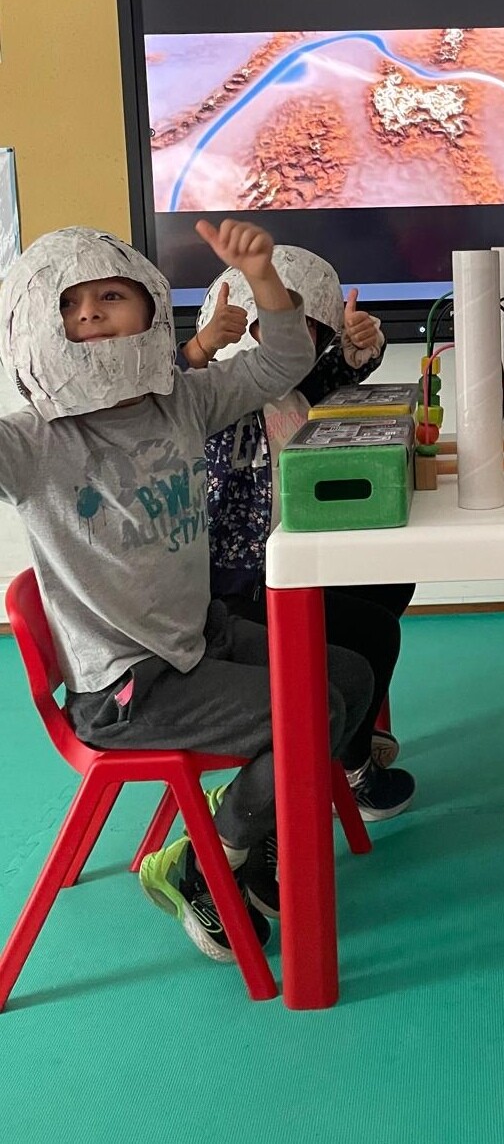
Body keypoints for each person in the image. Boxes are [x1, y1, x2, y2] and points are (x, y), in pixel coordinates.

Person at [0, 219, 375, 961]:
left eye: (111, 296)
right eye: (69, 304)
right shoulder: (36, 440)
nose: (90, 314)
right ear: (40, 325)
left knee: (352, 678)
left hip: (199, 637)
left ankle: (245, 833)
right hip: (126, 687)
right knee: (311, 713)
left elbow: (283, 362)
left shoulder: (181, 400)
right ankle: (208, 860)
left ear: (150, 307)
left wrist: (262, 278)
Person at [185, 248, 416, 821]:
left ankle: (349, 724)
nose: (292, 339)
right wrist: (201, 349)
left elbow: (332, 372)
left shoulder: (291, 389)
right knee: (375, 632)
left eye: (305, 327)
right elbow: (165, 393)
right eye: (271, 324)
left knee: (391, 582)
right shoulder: (214, 404)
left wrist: (359, 344)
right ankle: (353, 767)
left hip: (287, 567)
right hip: (238, 596)